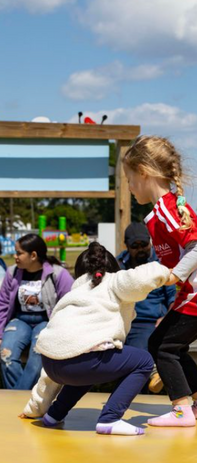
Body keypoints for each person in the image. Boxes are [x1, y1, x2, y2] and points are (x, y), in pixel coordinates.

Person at [21, 242, 170, 436]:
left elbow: (58, 353)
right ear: (114, 270)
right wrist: (170, 273)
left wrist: (34, 409)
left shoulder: (73, 294)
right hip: (82, 361)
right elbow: (142, 276)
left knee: (87, 362)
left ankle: (54, 415)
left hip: (52, 364)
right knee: (144, 361)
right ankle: (110, 419)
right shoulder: (113, 282)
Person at [123, 135, 197, 427]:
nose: (129, 187)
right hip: (188, 295)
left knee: (162, 346)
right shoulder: (159, 213)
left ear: (143, 173)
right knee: (167, 345)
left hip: (194, 295)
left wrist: (176, 274)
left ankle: (182, 410)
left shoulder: (167, 209)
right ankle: (190, 404)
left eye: (129, 180)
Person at [0, 233, 74, 390]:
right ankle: (22, 397)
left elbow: (70, 302)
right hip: (20, 320)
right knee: (6, 353)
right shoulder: (12, 273)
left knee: (38, 357)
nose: (15, 256)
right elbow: (2, 304)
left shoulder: (58, 274)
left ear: (33, 255)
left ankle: (16, 397)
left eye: (19, 253)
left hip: (46, 322)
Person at [117, 222, 176, 393]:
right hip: (124, 319)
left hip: (150, 320)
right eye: (135, 246)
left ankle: (151, 378)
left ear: (150, 242)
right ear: (126, 246)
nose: (140, 249)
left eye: (144, 244)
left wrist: (166, 318)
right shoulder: (120, 264)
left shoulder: (161, 263)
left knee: (139, 345)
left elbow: (173, 298)